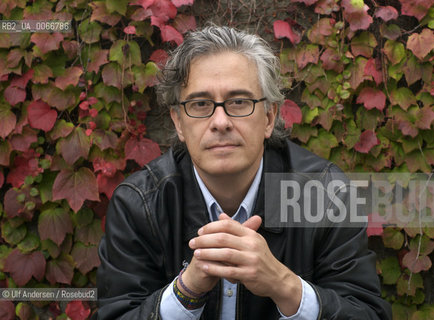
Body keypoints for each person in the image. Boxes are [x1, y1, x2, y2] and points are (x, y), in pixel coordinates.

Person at [96, 25, 392, 319]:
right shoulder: (139, 204)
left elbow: (367, 313)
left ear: (269, 116)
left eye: (239, 102)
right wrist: (187, 289)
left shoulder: (326, 194)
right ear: (178, 122)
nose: (220, 121)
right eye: (200, 104)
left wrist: (284, 284)